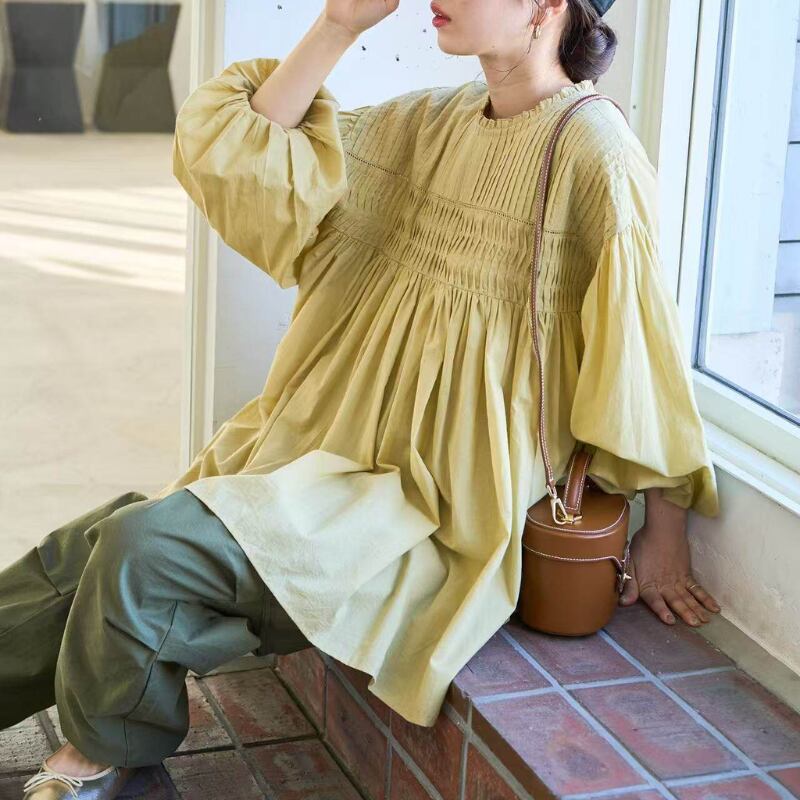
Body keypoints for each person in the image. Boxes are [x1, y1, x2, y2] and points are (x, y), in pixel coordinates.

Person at [1, 0, 723, 796]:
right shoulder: (429, 122)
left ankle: (99, 764)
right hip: (320, 452)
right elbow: (242, 151)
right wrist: (338, 25)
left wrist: (666, 528)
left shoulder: (594, 151)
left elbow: (640, 348)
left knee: (145, 549)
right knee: (91, 547)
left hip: (420, 507)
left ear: (549, 5)